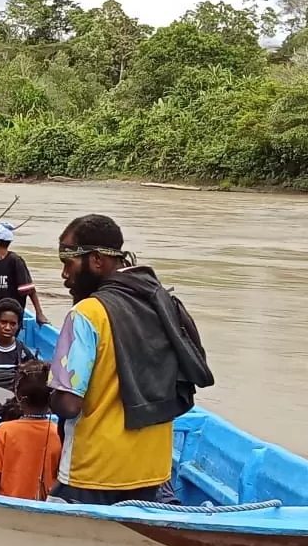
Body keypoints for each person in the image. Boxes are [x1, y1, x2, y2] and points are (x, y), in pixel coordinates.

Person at [48, 214, 213, 504]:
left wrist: (45, 389)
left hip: (94, 472)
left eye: (68, 262)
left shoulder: (87, 314)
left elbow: (69, 404)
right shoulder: (163, 302)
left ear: (97, 260)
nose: (64, 274)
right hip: (152, 470)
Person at [0, 361, 61, 500]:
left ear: (19, 398)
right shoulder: (59, 433)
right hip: (46, 510)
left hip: (8, 510)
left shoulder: (4, 431)